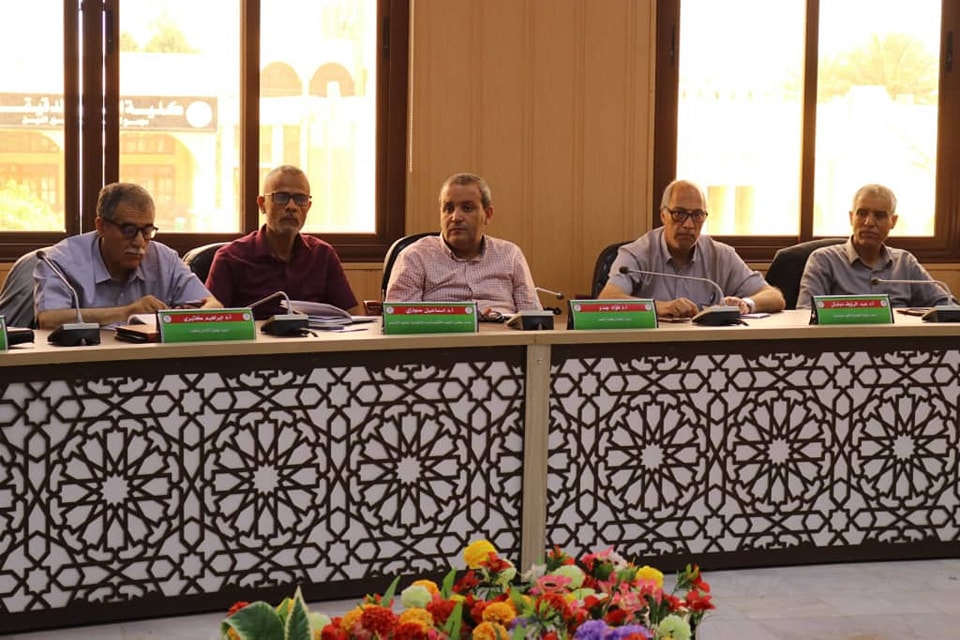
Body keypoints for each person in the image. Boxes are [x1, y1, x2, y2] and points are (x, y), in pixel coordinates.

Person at [34, 182, 221, 330]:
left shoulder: (164, 259)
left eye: (147, 231)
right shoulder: (60, 261)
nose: (139, 242)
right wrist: (128, 312)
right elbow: (48, 319)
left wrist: (185, 317)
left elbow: (214, 306)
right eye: (129, 230)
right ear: (101, 227)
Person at [600, 179, 785, 318]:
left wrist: (747, 304)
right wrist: (661, 307)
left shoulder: (721, 256)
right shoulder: (637, 254)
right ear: (663, 215)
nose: (688, 224)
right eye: (679, 214)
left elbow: (774, 297)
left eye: (697, 215)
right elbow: (607, 300)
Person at [205, 165, 357, 319]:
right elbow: (210, 319)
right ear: (262, 204)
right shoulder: (230, 258)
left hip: (312, 334)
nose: (292, 207)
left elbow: (351, 316)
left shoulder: (323, 255)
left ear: (308, 207)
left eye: (301, 199)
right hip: (255, 335)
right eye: (281, 197)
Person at [385, 172, 541, 317]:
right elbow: (400, 320)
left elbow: (533, 318)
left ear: (487, 215)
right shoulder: (414, 256)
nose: (456, 217)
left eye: (467, 208)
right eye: (449, 209)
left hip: (503, 335)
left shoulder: (510, 255)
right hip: (442, 336)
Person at [796, 184, 949, 309]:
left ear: (893, 221)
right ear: (851, 217)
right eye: (862, 213)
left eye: (879, 215)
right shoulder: (824, 260)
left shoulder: (905, 263)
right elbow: (805, 314)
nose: (869, 222)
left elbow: (948, 306)